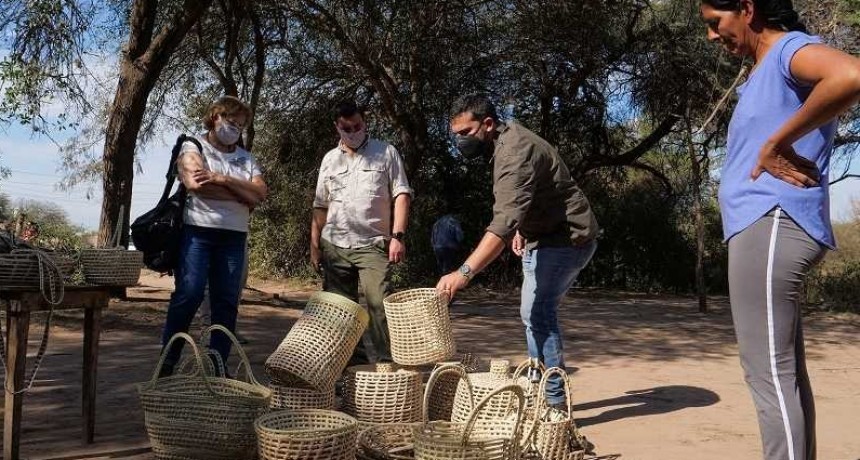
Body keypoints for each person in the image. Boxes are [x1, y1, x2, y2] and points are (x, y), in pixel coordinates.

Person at [699, 1, 860, 459]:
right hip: (764, 224)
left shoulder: (790, 47)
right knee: (783, 372)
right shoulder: (764, 68)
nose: (713, 36)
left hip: (771, 222)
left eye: (716, 23)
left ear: (747, 9)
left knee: (767, 373)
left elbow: (851, 74)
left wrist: (776, 142)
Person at [435, 94, 599, 409]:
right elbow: (528, 198)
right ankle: (539, 387)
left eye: (466, 133)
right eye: (455, 135)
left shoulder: (514, 152)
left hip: (567, 239)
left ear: (487, 123)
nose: (461, 142)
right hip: (541, 236)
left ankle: (554, 405)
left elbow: (501, 225)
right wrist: (524, 229)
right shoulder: (503, 142)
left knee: (538, 313)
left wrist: (463, 273)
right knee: (532, 313)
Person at [160, 95, 267, 375]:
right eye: (231, 122)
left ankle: (218, 364)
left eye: (241, 125)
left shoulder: (246, 158)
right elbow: (195, 183)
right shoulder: (194, 146)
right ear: (215, 117)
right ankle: (167, 362)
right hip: (198, 233)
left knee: (226, 302)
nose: (235, 129)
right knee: (189, 294)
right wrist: (242, 193)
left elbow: (260, 194)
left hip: (233, 237)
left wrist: (222, 179)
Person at [311, 100, 413, 365]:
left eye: (357, 126)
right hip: (334, 245)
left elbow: (401, 195)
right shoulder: (329, 160)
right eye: (347, 128)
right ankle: (351, 369)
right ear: (338, 127)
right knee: (342, 313)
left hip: (374, 244)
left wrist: (398, 237)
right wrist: (314, 246)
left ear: (364, 122)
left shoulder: (386, 152)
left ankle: (387, 367)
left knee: (380, 307)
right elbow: (320, 205)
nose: (353, 131)